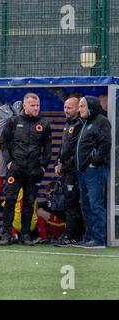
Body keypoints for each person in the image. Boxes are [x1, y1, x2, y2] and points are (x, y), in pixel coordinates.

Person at [0, 92, 52, 246]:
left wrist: (43, 166)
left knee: (29, 203)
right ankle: (6, 234)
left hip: (34, 171)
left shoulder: (44, 125)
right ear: (24, 105)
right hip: (15, 169)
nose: (36, 108)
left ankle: (26, 235)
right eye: (32, 105)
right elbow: (3, 142)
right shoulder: (13, 121)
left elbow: (47, 149)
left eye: (37, 105)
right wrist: (9, 162)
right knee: (10, 200)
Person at [74, 96, 111, 249]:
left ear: (91, 106)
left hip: (95, 171)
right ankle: (89, 237)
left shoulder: (101, 121)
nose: (79, 109)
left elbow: (105, 143)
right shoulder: (85, 123)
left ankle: (98, 239)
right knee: (86, 205)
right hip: (83, 171)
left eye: (82, 106)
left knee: (96, 205)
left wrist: (94, 163)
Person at [54, 97, 84, 247]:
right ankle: (72, 233)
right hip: (66, 169)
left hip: (73, 170)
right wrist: (58, 162)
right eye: (65, 107)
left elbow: (71, 148)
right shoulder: (68, 124)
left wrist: (63, 161)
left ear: (78, 108)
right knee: (69, 203)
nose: (66, 110)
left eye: (69, 107)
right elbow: (63, 146)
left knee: (72, 203)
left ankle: (73, 235)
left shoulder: (79, 124)